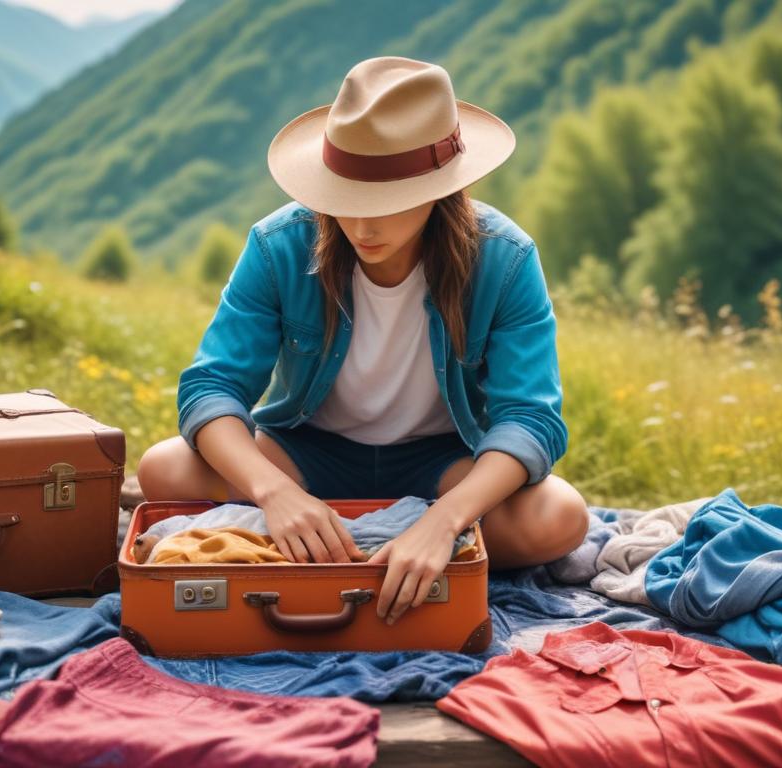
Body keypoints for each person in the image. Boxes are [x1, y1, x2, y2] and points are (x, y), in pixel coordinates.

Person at [136, 56, 588, 626]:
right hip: (307, 452)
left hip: (444, 463)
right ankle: (342, 532)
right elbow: (211, 388)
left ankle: (340, 538)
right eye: (346, 196)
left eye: (387, 202)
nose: (362, 226)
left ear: (441, 190)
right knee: (163, 469)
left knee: (560, 517)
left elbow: (530, 419)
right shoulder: (279, 244)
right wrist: (274, 493)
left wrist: (444, 521)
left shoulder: (506, 258)